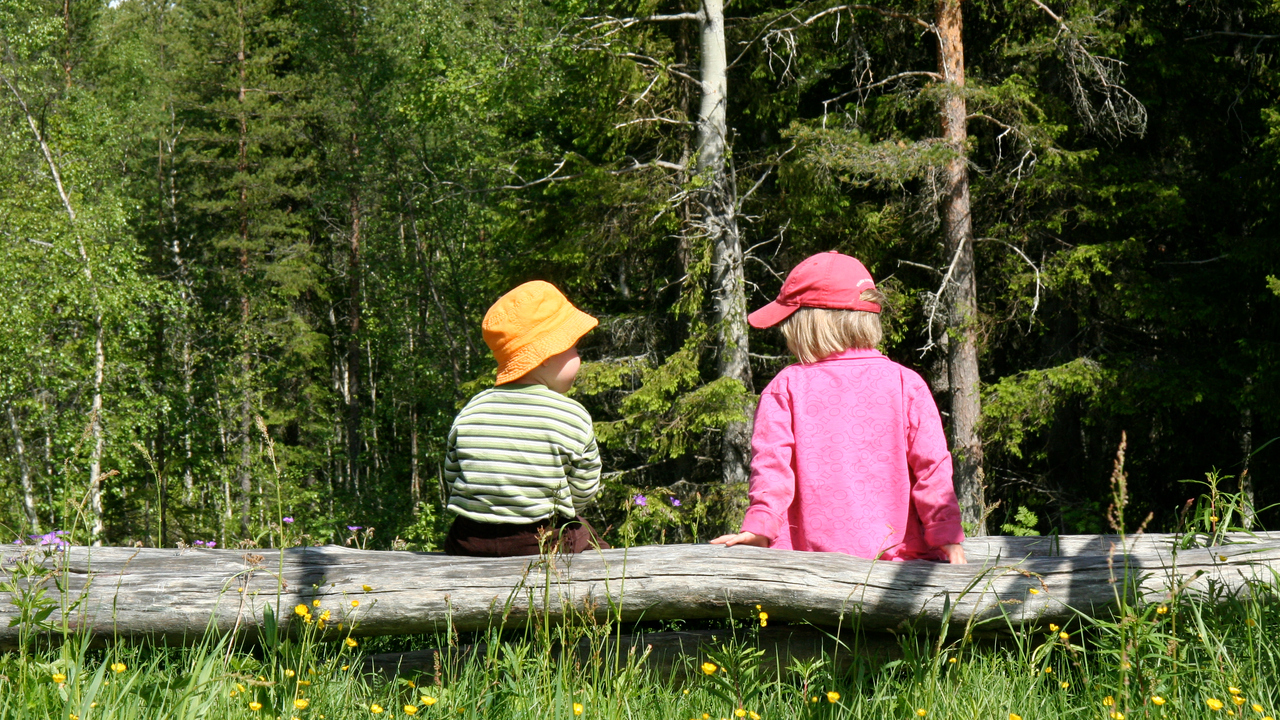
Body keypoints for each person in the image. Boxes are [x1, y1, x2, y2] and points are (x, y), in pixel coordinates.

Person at [711, 251, 967, 563]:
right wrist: (946, 534)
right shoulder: (905, 384)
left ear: (809, 322)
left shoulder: (786, 386)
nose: (786, 333)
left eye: (789, 321)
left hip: (807, 571)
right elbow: (932, 468)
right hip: (900, 564)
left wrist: (761, 527)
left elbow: (771, 469)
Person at [443, 280, 609, 557]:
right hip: (540, 539)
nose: (579, 357)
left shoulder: (473, 408)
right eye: (574, 348)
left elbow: (453, 473)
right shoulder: (571, 414)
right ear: (546, 354)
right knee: (594, 544)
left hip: (469, 540)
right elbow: (583, 488)